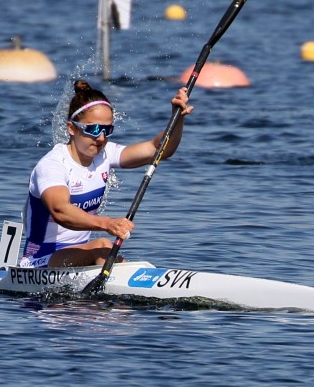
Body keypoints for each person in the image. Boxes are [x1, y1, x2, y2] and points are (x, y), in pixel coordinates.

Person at [19, 80, 193, 268]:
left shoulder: (105, 154)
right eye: (93, 129)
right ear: (72, 128)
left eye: (107, 130)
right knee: (103, 245)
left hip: (79, 256)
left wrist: (177, 118)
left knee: (106, 251)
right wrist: (108, 224)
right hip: (39, 262)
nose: (101, 138)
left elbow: (158, 150)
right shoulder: (52, 165)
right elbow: (60, 210)